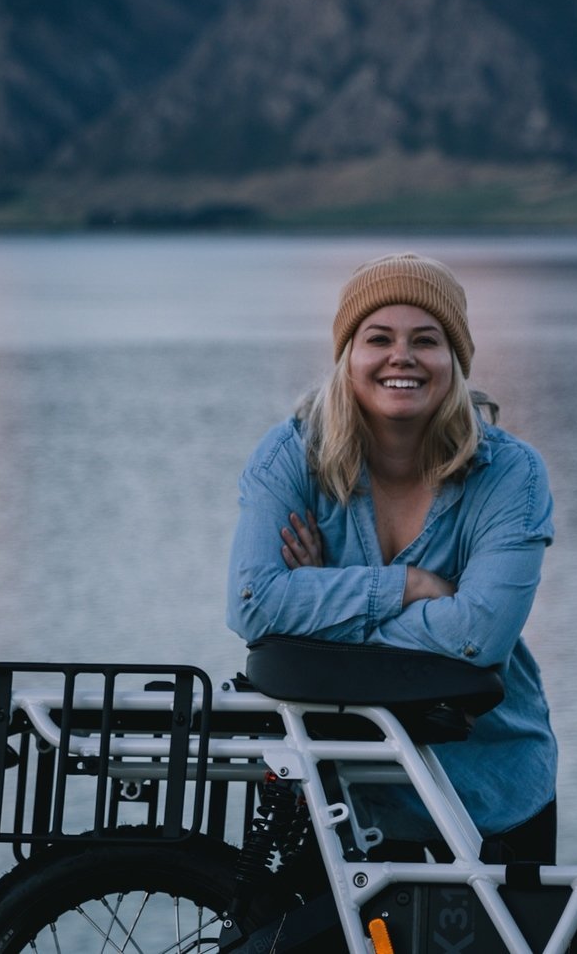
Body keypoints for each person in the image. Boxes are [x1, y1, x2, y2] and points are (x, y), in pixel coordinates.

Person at [226, 252, 558, 863]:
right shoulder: (289, 457)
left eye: (425, 340)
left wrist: (324, 595)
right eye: (378, 338)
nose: (401, 357)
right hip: (336, 787)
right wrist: (404, 583)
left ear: (454, 360)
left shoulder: (511, 474)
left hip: (487, 780)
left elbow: (479, 637)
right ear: (348, 355)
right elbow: (253, 606)